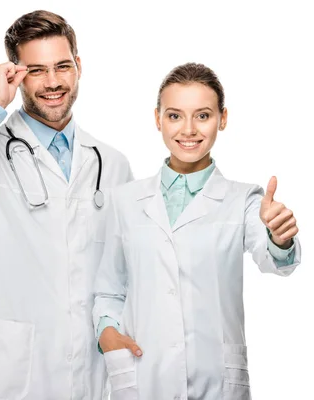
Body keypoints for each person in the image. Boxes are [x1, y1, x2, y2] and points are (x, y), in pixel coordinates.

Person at [0, 10, 132, 400]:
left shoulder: (111, 163)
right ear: (15, 75)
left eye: (62, 66)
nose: (53, 83)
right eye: (36, 70)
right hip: (7, 370)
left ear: (78, 67)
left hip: (87, 367)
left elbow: (122, 271)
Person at [92, 62, 301, 400]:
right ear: (157, 118)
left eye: (202, 115)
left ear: (223, 118)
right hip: (142, 376)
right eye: (175, 116)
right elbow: (108, 290)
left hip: (216, 380)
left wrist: (280, 237)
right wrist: (107, 334)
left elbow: (274, 259)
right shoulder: (125, 201)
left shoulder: (244, 199)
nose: (188, 129)